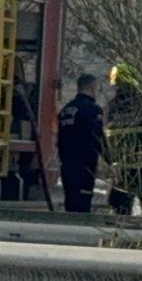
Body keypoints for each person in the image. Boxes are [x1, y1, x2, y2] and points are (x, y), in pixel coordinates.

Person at [103, 63, 142, 218]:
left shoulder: (110, 108)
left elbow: (104, 139)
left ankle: (119, 242)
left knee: (120, 214)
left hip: (122, 170)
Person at [55, 72, 105, 214]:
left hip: (67, 165)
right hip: (85, 166)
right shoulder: (92, 110)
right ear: (91, 87)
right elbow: (98, 138)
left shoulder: (66, 110)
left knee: (70, 204)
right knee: (82, 206)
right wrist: (110, 160)